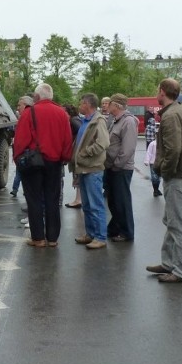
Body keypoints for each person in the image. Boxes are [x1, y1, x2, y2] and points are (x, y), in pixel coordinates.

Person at [146, 78, 182, 283]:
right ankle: (168, 262)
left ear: (162, 92)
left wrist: (163, 170)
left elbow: (174, 149)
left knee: (177, 224)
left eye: (157, 90)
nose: (156, 93)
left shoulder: (171, 116)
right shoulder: (181, 112)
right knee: (171, 221)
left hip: (177, 175)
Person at [13, 82, 73, 248]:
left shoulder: (28, 113)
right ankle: (52, 238)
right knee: (52, 200)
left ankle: (38, 238)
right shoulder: (62, 113)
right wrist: (65, 157)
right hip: (54, 162)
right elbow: (67, 139)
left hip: (33, 162)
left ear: (37, 97)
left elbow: (20, 140)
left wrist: (18, 159)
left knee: (34, 200)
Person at [71, 93, 110, 250]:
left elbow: (103, 143)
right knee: (87, 205)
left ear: (88, 104)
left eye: (81, 103)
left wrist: (84, 153)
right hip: (84, 169)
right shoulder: (86, 121)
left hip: (92, 169)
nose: (79, 106)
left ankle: (100, 237)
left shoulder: (98, 121)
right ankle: (90, 234)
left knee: (96, 205)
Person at [104, 93, 137, 242]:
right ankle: (115, 228)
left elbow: (128, 148)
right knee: (113, 200)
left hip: (121, 169)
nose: (107, 105)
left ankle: (126, 232)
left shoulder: (128, 121)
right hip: (112, 167)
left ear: (116, 105)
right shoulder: (116, 121)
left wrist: (116, 164)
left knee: (121, 201)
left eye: (109, 103)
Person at [10, 96, 33, 198]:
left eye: (19, 105)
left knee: (24, 176)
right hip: (24, 155)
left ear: (26, 105)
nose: (17, 108)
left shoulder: (27, 117)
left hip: (26, 155)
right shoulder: (24, 117)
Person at [62, 102, 82, 208]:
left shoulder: (73, 120)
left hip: (77, 151)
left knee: (77, 173)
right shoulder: (75, 119)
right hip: (76, 151)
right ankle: (78, 199)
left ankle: (78, 200)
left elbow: (81, 133)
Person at [143, 128, 162, 197]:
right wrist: (147, 161)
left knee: (158, 177)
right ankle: (155, 190)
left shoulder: (162, 144)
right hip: (153, 163)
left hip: (160, 162)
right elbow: (149, 153)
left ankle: (157, 189)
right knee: (154, 177)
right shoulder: (152, 144)